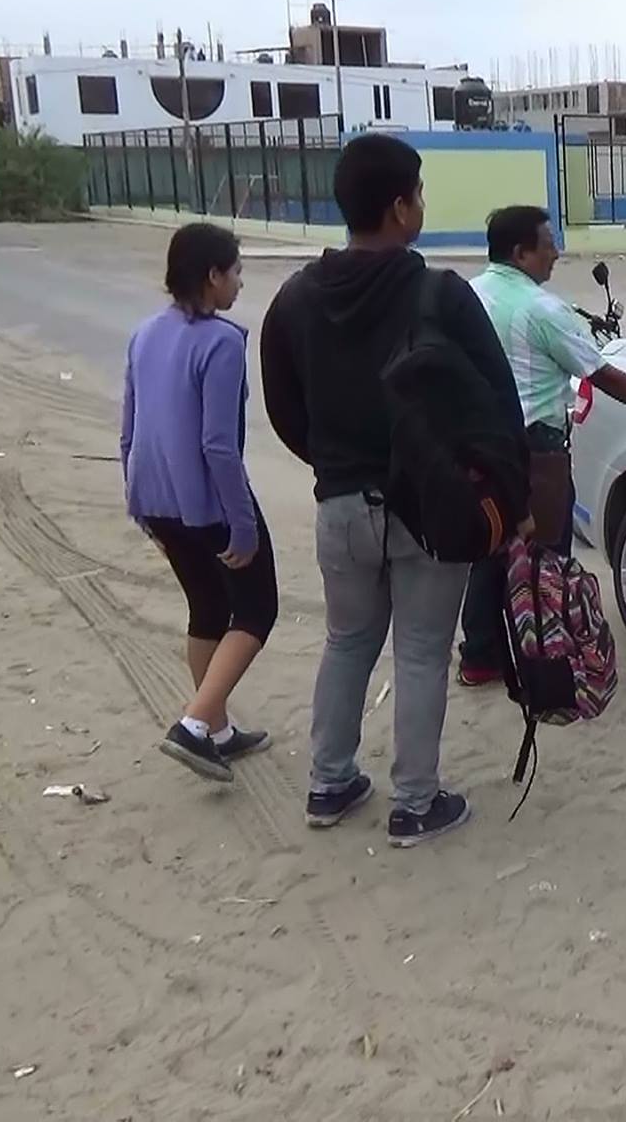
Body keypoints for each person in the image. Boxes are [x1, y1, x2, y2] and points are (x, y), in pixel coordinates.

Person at [259, 134, 524, 848]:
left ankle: (330, 782)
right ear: (401, 206)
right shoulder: (439, 292)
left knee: (346, 641)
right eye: (420, 194)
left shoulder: (294, 299)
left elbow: (283, 407)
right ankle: (414, 803)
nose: (422, 207)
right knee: (419, 651)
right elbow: (499, 402)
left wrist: (335, 465)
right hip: (429, 506)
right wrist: (507, 497)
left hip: (339, 506)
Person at [455, 205, 626, 687]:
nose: (556, 253)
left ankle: (480, 656)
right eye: (548, 243)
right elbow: (603, 374)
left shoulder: (470, 296)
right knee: (544, 558)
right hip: (536, 452)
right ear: (520, 252)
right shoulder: (542, 310)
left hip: (481, 448)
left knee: (491, 549)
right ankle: (543, 664)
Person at [121, 223, 278, 782]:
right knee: (258, 610)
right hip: (206, 503)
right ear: (212, 276)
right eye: (235, 271)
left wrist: (137, 501)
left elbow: (129, 427)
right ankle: (193, 724)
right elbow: (219, 444)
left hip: (156, 498)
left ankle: (216, 729)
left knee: (208, 608)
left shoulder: (144, 333)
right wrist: (241, 525)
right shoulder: (223, 342)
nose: (239, 282)